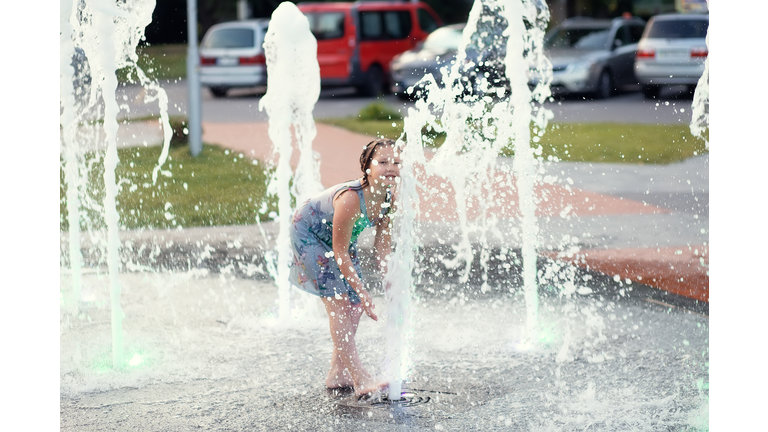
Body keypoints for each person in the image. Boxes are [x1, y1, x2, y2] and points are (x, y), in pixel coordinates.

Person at [289, 138, 401, 396]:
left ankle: (337, 373)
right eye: (382, 162)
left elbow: (382, 249)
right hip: (310, 234)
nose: (391, 167)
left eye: (396, 162)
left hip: (339, 240)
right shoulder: (351, 199)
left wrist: (391, 281)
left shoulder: (388, 200)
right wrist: (363, 291)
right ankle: (359, 377)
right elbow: (339, 252)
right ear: (367, 166)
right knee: (340, 305)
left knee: (354, 308)